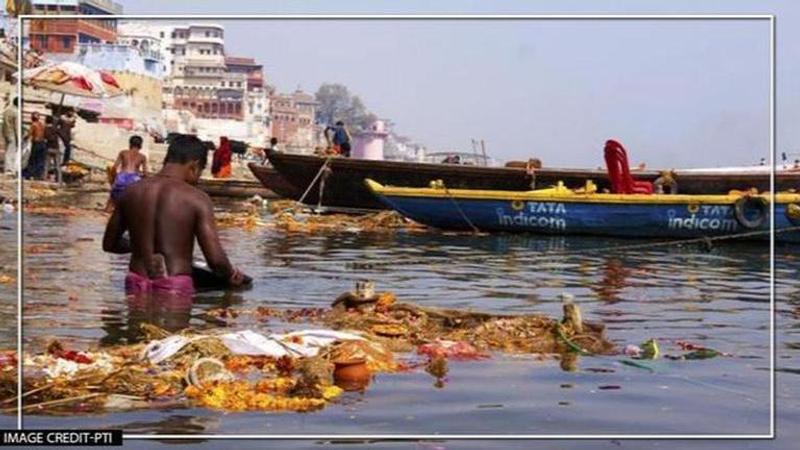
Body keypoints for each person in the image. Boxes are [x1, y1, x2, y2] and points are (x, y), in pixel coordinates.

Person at [102, 134, 249, 298]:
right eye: (200, 173)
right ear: (194, 167)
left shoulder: (131, 192)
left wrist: (141, 246)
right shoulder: (197, 199)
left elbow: (109, 244)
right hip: (174, 286)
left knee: (137, 322)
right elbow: (215, 260)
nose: (197, 180)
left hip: (136, 282)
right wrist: (232, 274)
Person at [107, 135, 147, 211]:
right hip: (134, 179)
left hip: (122, 177)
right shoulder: (142, 157)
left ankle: (108, 209)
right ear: (140, 146)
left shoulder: (123, 153)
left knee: (112, 199)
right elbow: (145, 174)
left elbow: (114, 167)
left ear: (130, 144)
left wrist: (113, 179)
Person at [25, 112, 47, 180]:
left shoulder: (33, 125)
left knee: (33, 159)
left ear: (32, 118)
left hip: (36, 143)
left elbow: (29, 134)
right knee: (40, 160)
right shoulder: (42, 124)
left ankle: (30, 174)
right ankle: (39, 175)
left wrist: (24, 138)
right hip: (43, 143)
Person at [43, 116, 62, 184]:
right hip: (56, 148)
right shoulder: (55, 128)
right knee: (57, 165)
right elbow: (61, 134)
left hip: (48, 148)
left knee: (46, 165)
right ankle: (59, 180)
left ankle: (44, 179)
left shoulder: (45, 129)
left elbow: (45, 137)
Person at [2, 97, 17, 175]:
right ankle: (9, 169)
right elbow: (16, 126)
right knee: (11, 152)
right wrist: (18, 137)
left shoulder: (7, 110)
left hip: (5, 133)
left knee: (7, 150)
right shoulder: (16, 112)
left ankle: (7, 168)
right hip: (12, 134)